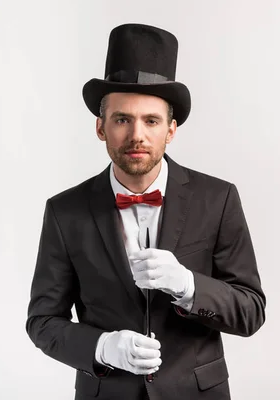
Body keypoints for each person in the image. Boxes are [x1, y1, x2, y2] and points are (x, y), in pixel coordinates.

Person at [26, 23, 266, 400]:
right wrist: (102, 346)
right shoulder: (64, 211)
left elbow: (251, 311)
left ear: (170, 130)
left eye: (151, 120)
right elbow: (42, 322)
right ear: (100, 128)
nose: (136, 134)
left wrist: (189, 286)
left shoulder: (218, 198)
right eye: (122, 119)